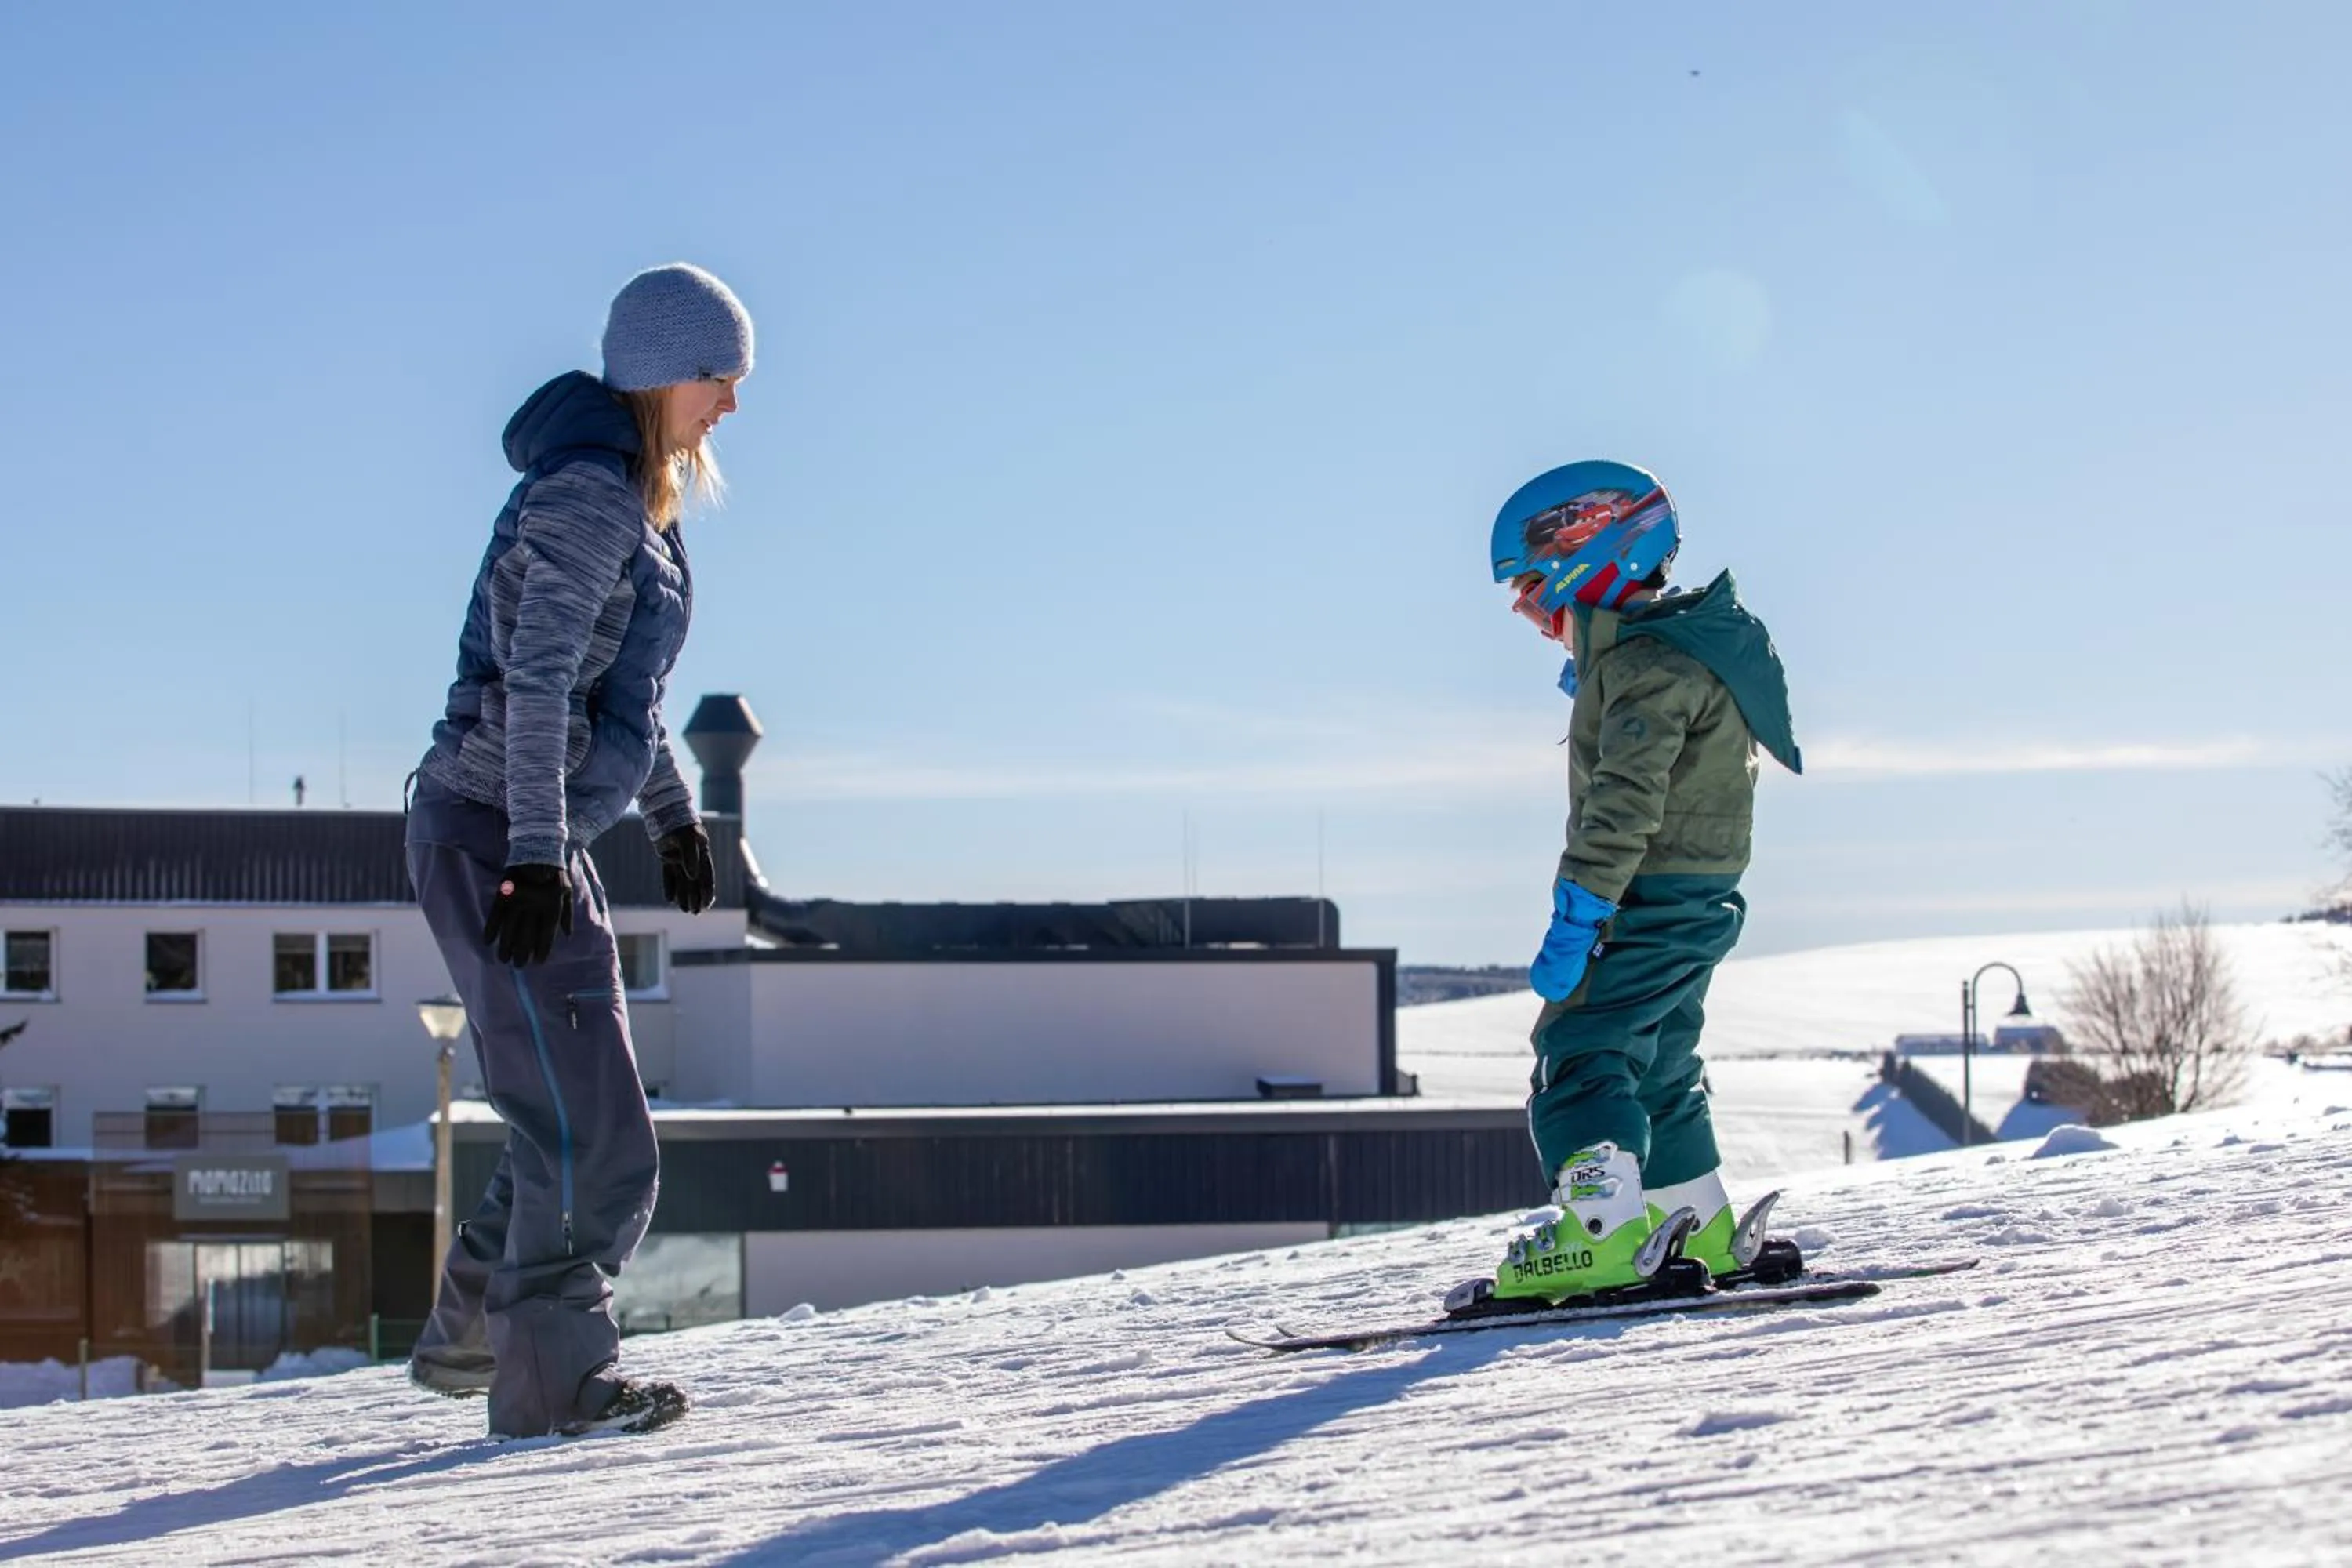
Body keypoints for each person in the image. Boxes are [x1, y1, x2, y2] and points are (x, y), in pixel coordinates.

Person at [402, 263, 753, 1436]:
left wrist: (669, 819)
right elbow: (540, 677)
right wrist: (542, 858)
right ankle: (555, 1385)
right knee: (596, 1137)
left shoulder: (632, 501)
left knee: (572, 1111)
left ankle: (469, 1340)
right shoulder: (589, 499)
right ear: (663, 373)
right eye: (720, 379)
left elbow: (621, 700)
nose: (731, 406)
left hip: (532, 835)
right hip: (497, 835)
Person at [1482, 459, 1802, 1306]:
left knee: (1582, 1049)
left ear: (1592, 557)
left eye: (1531, 585)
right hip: (1699, 893)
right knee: (1657, 1059)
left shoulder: (1646, 666)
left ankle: (1600, 1232)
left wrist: (1582, 906)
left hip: (1645, 892)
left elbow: (1625, 800)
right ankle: (1691, 1217)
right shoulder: (1677, 651)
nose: (1526, 609)